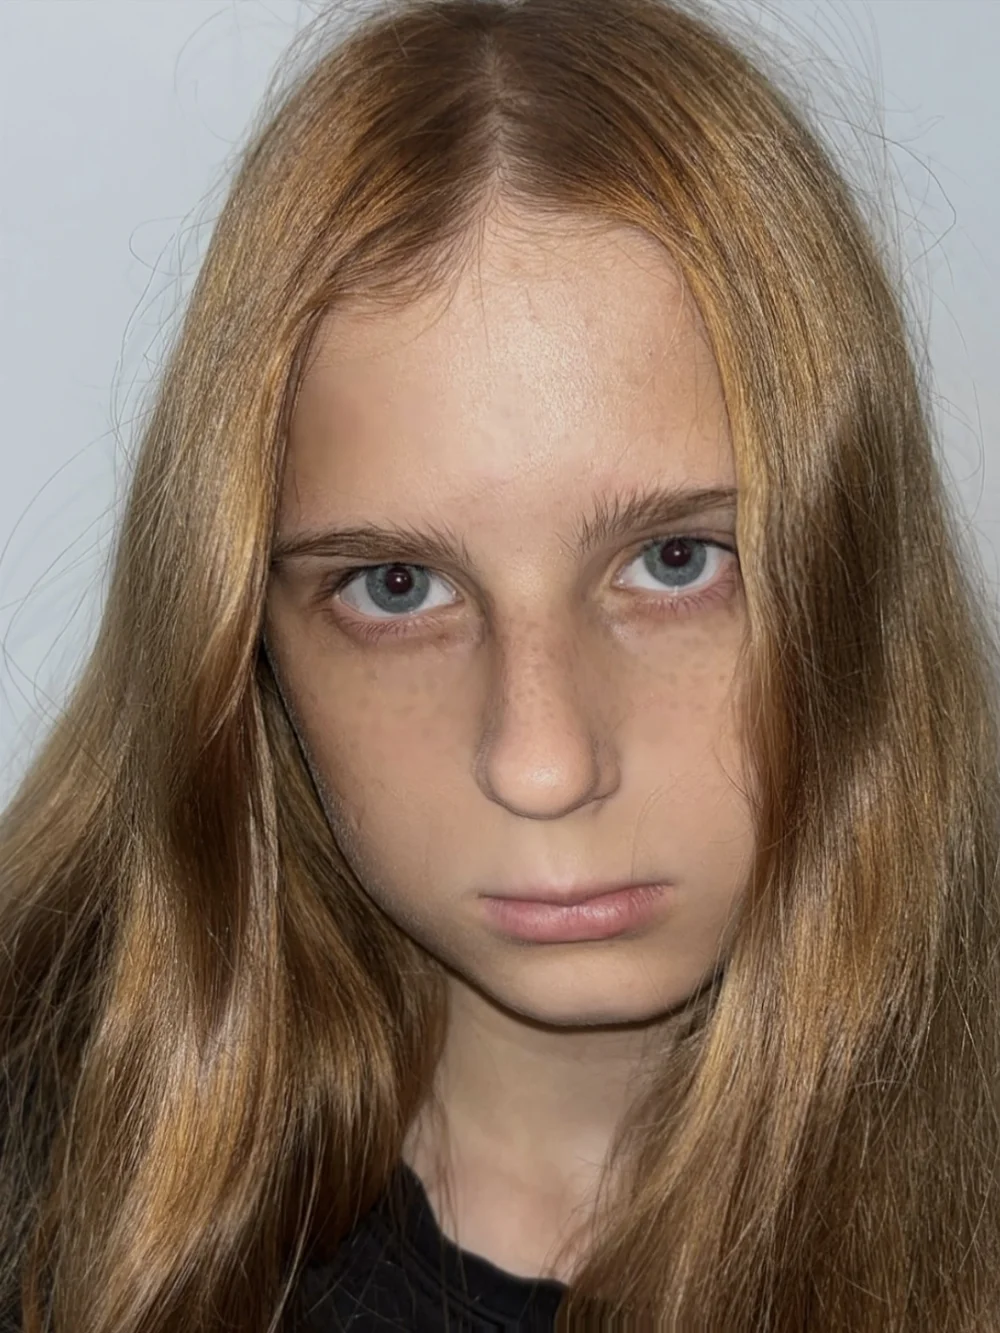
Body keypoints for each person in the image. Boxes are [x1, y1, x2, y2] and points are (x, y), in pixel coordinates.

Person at [2, 0, 999, 1328]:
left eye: (677, 562)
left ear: (857, 574)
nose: (542, 764)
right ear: (242, 642)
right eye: (398, 588)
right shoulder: (45, 1202)